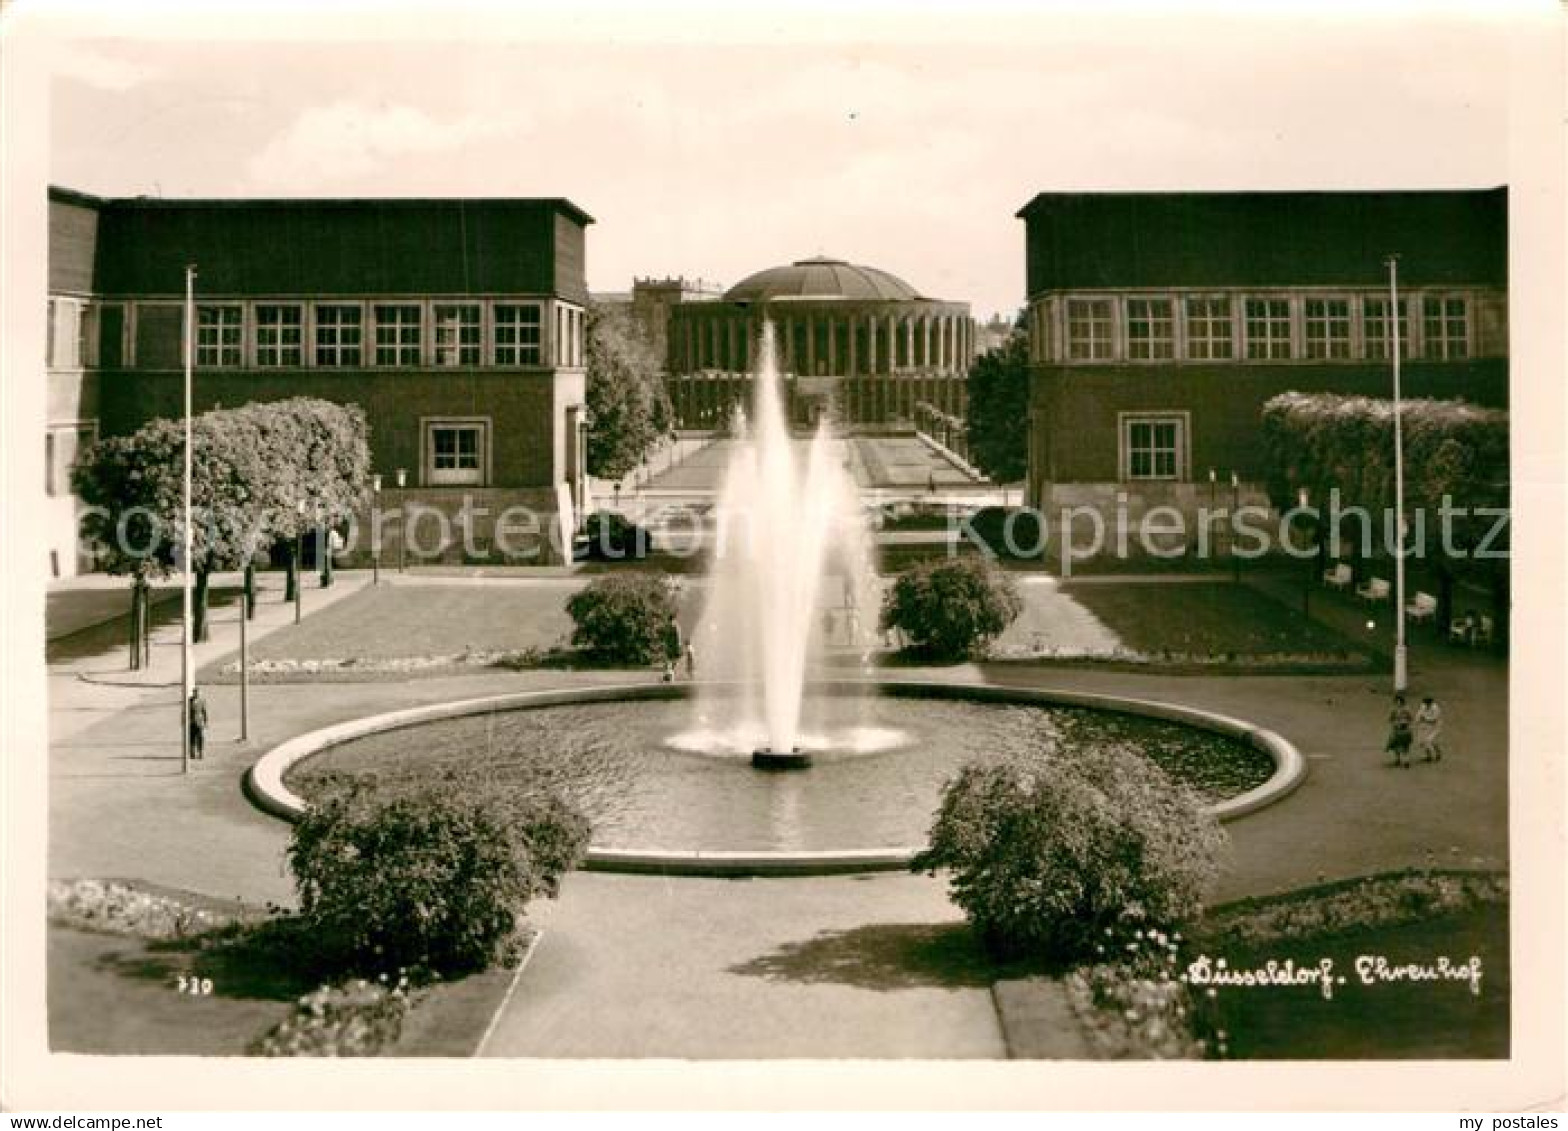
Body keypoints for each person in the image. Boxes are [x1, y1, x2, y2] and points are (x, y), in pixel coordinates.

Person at [1385, 693, 1414, 768]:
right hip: (1396, 730)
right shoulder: (1394, 709)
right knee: (1395, 746)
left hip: (1405, 730)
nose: (1398, 703)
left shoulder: (1407, 709)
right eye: (1397, 701)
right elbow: (1390, 719)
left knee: (1405, 746)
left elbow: (1411, 718)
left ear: (1402, 701)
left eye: (1399, 701)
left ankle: (1406, 761)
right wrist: (1394, 723)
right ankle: (1398, 759)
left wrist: (1405, 723)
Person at [1416, 696, 1444, 763]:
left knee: (1431, 741)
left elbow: (1434, 719)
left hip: (1435, 727)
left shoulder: (1436, 708)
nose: (1426, 704)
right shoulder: (1423, 706)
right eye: (1425, 703)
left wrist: (1425, 718)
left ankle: (1438, 754)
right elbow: (1419, 714)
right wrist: (1418, 720)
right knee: (1423, 741)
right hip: (1425, 726)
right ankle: (1428, 756)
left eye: (1427, 703)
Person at [188, 687, 208, 761]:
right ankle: (192, 752)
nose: (196, 694)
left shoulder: (202, 700)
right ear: (193, 693)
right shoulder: (189, 700)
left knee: (200, 737)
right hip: (191, 722)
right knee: (191, 738)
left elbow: (204, 711)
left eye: (198, 692)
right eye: (195, 692)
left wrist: (206, 722)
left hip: (200, 721)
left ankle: (200, 752)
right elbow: (186, 711)